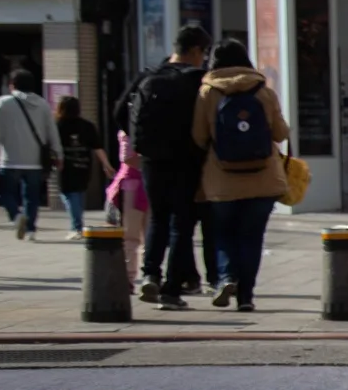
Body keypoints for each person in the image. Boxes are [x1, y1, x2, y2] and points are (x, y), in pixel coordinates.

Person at [190, 38, 290, 312]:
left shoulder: (207, 92)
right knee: (252, 237)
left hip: (222, 180)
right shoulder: (263, 91)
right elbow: (281, 133)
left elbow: (199, 136)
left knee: (223, 234)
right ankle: (246, 297)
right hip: (263, 179)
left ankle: (225, 277)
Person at [116, 24, 210, 308]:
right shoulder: (199, 80)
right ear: (195, 51)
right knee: (181, 224)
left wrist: (139, 143)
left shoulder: (149, 75)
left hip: (152, 160)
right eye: (202, 53)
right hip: (188, 159)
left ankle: (150, 275)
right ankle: (171, 290)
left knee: (157, 217)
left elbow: (120, 111)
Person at [0, 69, 57, 240]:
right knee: (32, 197)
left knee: (5, 192)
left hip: (9, 160)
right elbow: (51, 132)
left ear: (12, 85)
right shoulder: (43, 104)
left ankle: (17, 217)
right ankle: (30, 230)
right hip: (35, 161)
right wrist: (58, 153)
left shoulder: (2, 103)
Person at [53, 97, 111, 238]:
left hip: (65, 166)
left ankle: (76, 226)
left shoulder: (57, 125)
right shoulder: (87, 126)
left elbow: (51, 146)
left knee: (68, 194)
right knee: (78, 193)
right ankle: (77, 224)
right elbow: (97, 147)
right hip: (84, 165)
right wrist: (106, 164)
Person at [106, 130, 147, 288]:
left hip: (139, 185)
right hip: (138, 185)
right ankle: (137, 277)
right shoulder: (129, 131)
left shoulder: (130, 129)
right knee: (137, 236)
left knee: (140, 236)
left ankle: (141, 277)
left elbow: (127, 157)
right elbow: (127, 158)